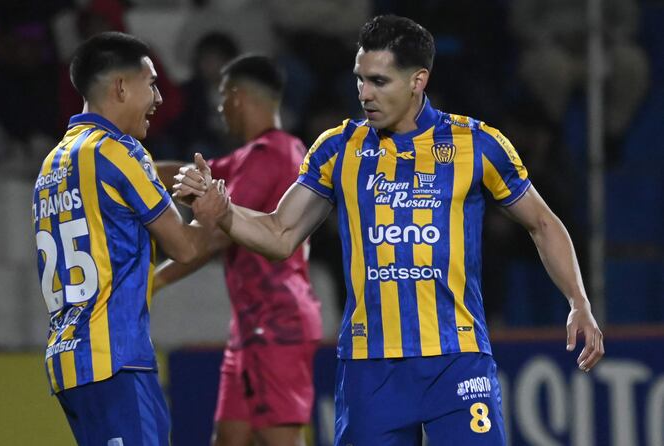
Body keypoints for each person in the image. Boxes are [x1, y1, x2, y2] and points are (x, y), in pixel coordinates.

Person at [176, 15, 605, 445]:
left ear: (418, 80)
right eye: (360, 79)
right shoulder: (338, 149)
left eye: (379, 81)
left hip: (456, 360)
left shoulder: (475, 143)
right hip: (370, 369)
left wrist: (579, 302)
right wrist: (225, 213)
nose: (364, 94)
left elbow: (542, 222)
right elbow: (280, 234)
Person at [31, 31, 221, 445]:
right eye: (151, 84)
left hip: (69, 363)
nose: (159, 98)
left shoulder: (52, 164)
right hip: (116, 361)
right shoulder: (119, 151)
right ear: (121, 87)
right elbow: (185, 247)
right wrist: (215, 215)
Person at [154, 55, 322, 446]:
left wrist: (152, 282)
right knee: (230, 439)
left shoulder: (272, 154)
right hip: (251, 327)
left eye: (222, 97)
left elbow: (215, 234)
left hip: (277, 323)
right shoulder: (256, 157)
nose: (219, 109)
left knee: (279, 440)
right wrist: (129, 164)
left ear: (238, 97)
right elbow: (187, 174)